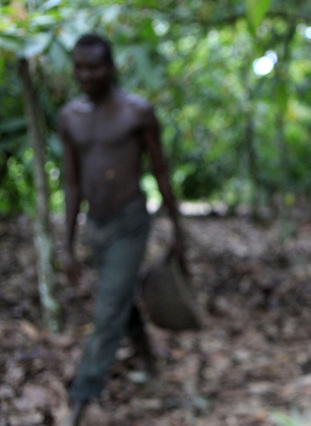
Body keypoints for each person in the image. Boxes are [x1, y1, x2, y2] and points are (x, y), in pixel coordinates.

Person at [58, 34, 184, 425]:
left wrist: (179, 229)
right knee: (118, 298)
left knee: (108, 308)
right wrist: (66, 243)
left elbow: (161, 171)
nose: (86, 74)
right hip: (96, 225)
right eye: (79, 67)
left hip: (130, 222)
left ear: (112, 67)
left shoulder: (137, 112)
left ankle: (82, 394)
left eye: (94, 66)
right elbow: (72, 184)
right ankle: (145, 352)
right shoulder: (69, 118)